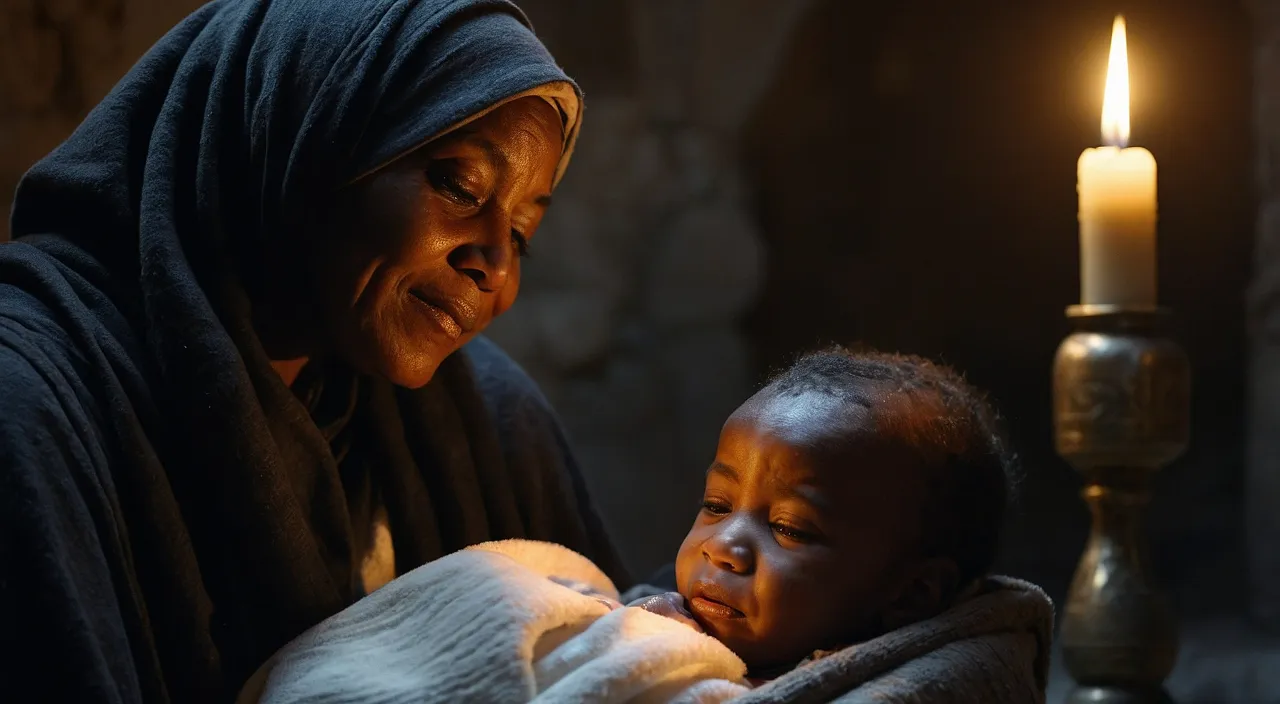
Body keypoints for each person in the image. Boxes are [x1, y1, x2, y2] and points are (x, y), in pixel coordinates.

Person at [0, 0, 629, 701]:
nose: (495, 267)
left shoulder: (493, 420)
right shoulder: (29, 402)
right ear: (305, 136)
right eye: (460, 186)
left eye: (520, 232)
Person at [632, 345, 1026, 681]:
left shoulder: (896, 685)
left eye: (789, 528)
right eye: (717, 505)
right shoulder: (648, 613)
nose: (722, 547)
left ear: (911, 594)